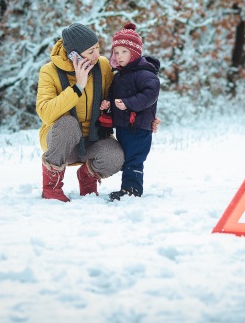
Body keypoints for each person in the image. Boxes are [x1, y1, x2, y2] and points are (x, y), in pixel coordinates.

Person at [35, 23, 124, 202]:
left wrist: (144, 114)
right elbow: (45, 113)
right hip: (62, 141)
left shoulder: (103, 66)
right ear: (73, 54)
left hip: (93, 139)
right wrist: (77, 87)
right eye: (90, 51)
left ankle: (87, 176)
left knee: (115, 156)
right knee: (68, 124)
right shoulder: (49, 71)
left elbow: (117, 96)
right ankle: (51, 188)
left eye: (97, 48)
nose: (97, 55)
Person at [100, 23, 161, 201]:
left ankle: (132, 190)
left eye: (124, 52)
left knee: (135, 158)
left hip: (139, 126)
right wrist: (108, 103)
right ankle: (127, 188)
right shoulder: (121, 75)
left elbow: (151, 94)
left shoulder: (145, 73)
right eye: (116, 52)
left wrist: (128, 104)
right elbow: (117, 95)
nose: (119, 57)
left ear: (134, 52)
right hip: (124, 126)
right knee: (127, 158)